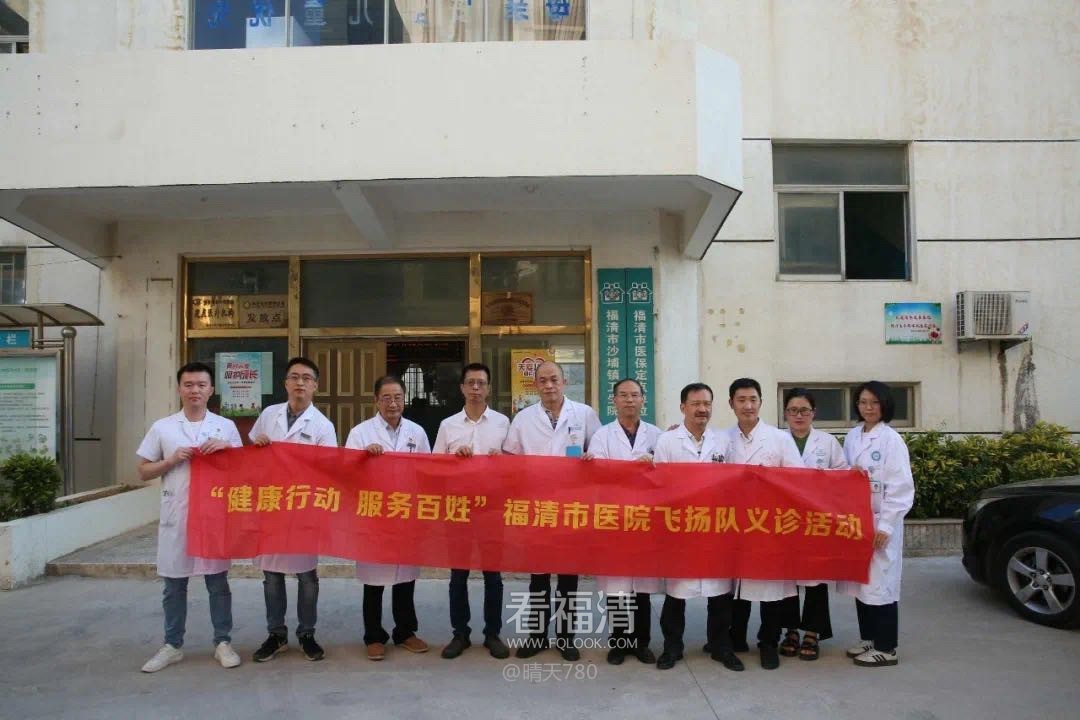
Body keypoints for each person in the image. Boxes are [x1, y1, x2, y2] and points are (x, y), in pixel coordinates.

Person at [137, 362, 243, 673]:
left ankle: (223, 642)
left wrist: (227, 448)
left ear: (211, 390)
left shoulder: (225, 427)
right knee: (174, 586)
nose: (195, 390)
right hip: (178, 516)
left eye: (201, 385)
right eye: (188, 384)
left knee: (217, 583)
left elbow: (243, 469)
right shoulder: (163, 427)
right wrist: (170, 460)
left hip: (213, 517)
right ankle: (172, 645)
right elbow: (143, 471)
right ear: (179, 389)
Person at [502, 360, 601, 661]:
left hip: (572, 507)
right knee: (539, 577)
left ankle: (566, 637)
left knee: (568, 577)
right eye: (543, 380)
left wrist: (589, 458)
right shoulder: (523, 419)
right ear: (535, 385)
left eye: (554, 379)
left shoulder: (584, 414)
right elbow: (510, 459)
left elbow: (598, 451)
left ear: (564, 381)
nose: (549, 385)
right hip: (537, 508)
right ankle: (537, 636)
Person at [248, 357, 337, 663]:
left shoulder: (323, 426)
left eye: (306, 378)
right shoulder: (268, 415)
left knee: (306, 576)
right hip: (272, 505)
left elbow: (328, 470)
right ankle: (276, 634)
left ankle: (307, 633)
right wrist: (259, 446)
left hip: (304, 509)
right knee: (272, 576)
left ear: (315, 386)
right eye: (294, 377)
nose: (300, 383)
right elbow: (253, 458)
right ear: (285, 383)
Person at [653, 382, 743, 672]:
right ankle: (672, 647)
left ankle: (720, 646)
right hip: (680, 529)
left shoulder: (723, 442)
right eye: (695, 404)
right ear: (683, 407)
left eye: (706, 404)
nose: (702, 409)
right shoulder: (668, 441)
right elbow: (658, 485)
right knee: (676, 594)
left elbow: (735, 481)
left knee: (719, 594)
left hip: (716, 528)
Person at [345, 375, 431, 661]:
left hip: (405, 512)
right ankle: (373, 635)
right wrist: (364, 458)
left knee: (405, 577)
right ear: (376, 401)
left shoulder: (417, 432)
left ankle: (405, 632)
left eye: (397, 397)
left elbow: (428, 472)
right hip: (374, 515)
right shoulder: (360, 433)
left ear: (404, 400)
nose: (392, 403)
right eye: (386, 398)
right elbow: (347, 472)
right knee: (374, 580)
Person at [723, 378, 803, 670]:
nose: (748, 405)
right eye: (741, 400)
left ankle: (768, 642)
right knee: (736, 587)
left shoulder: (780, 439)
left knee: (771, 589)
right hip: (733, 524)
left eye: (753, 399)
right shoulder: (722, 439)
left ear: (761, 402)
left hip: (770, 525)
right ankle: (736, 637)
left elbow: (798, 479)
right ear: (731, 403)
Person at [434, 362, 512, 661]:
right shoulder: (448, 425)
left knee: (493, 575)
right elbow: (435, 466)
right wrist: (454, 459)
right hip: (459, 508)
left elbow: (516, 465)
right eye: (471, 383)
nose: (476, 388)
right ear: (462, 388)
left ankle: (493, 633)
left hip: (492, 508)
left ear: (489, 388)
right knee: (458, 575)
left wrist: (501, 459)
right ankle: (460, 633)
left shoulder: (503, 423)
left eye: (481, 383)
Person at [584, 378, 662, 666]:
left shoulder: (657, 436)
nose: (630, 400)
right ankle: (619, 643)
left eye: (635, 395)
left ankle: (641, 643)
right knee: (617, 591)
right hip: (614, 520)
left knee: (641, 591)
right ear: (614, 400)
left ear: (643, 399)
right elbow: (598, 475)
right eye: (624, 395)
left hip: (644, 520)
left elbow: (667, 475)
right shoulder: (602, 436)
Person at [837, 381, 914, 667]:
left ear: (884, 405)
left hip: (880, 521)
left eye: (874, 402)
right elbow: (843, 472)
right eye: (863, 402)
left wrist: (886, 526)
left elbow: (901, 488)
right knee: (861, 583)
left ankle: (886, 647)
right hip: (857, 521)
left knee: (881, 584)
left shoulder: (891, 440)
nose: (868, 408)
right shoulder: (853, 435)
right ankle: (868, 638)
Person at [778, 387, 848, 661]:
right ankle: (790, 630)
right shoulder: (777, 440)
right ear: (785, 413)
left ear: (813, 413)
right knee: (787, 577)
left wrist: (851, 475)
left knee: (816, 577)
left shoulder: (828, 442)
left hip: (817, 519)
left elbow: (842, 476)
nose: (799, 415)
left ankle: (812, 631)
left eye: (804, 410)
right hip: (785, 519)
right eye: (793, 410)